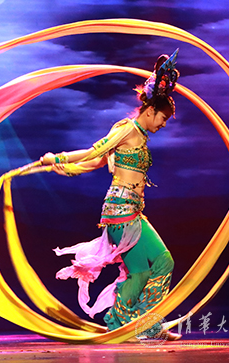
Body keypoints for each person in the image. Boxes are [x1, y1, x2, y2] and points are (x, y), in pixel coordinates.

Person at [40, 50, 180, 338]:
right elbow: (95, 153)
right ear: (150, 111)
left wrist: (65, 169)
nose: (163, 124)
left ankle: (137, 325)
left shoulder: (140, 136)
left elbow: (94, 163)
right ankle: (130, 325)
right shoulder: (127, 129)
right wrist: (58, 159)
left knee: (149, 269)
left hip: (132, 211)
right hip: (120, 211)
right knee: (156, 264)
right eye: (163, 118)